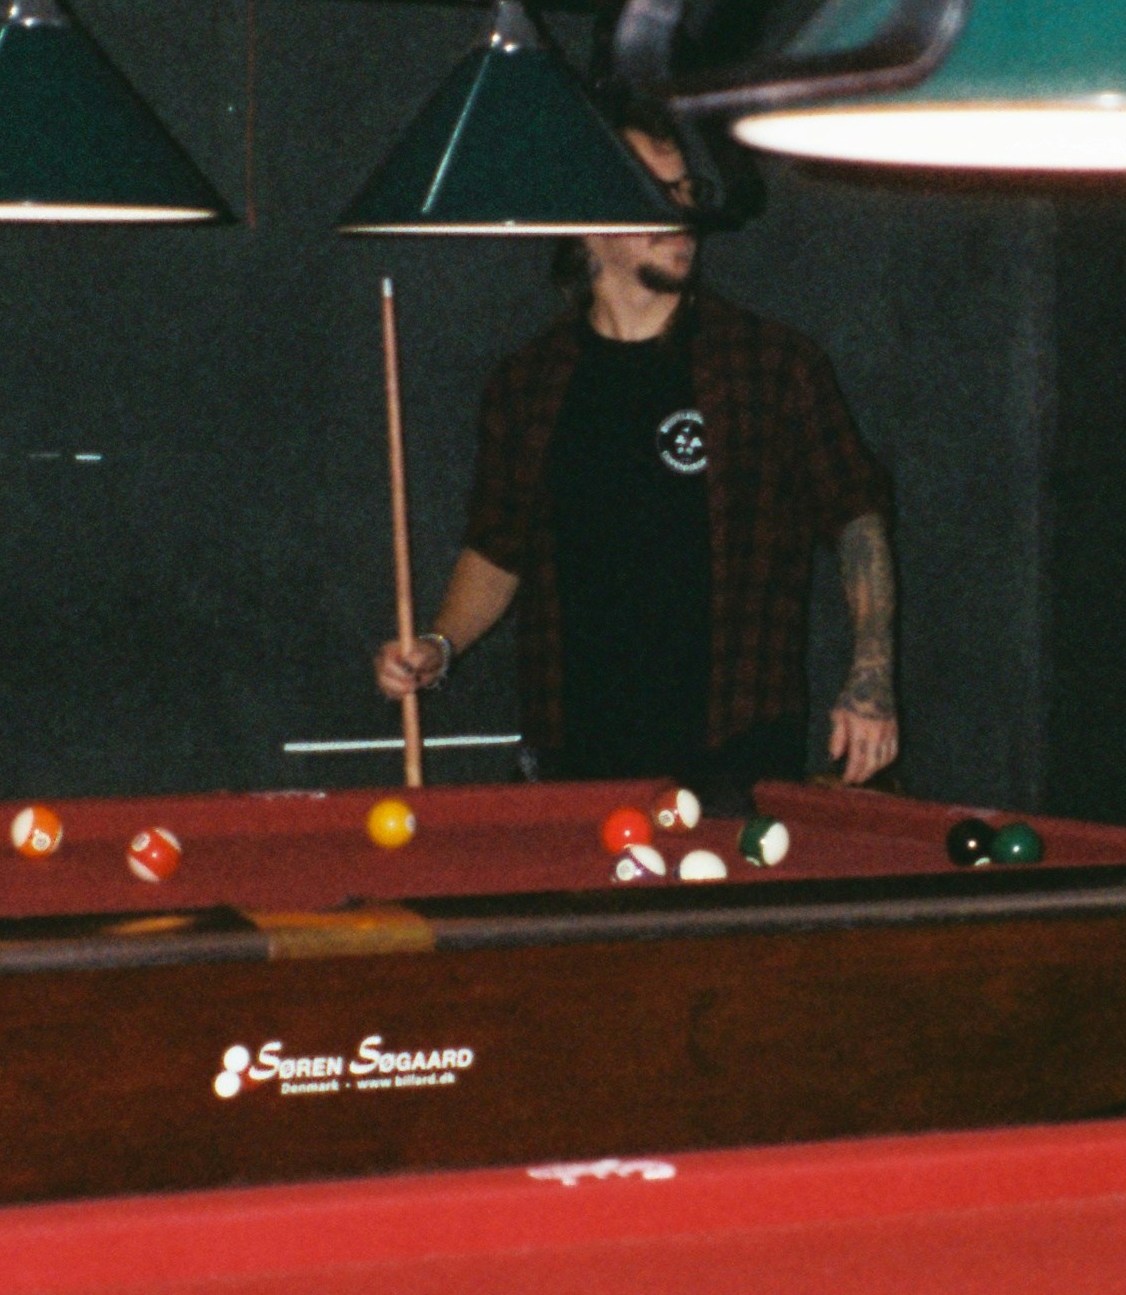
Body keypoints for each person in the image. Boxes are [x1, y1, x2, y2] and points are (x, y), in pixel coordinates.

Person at [378, 119, 900, 794]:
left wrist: (871, 681)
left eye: (685, 192)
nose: (680, 215)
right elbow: (496, 552)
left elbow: (856, 516)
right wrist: (438, 648)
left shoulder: (770, 365)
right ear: (585, 216)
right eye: (653, 194)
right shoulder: (528, 383)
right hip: (571, 763)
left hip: (731, 756)